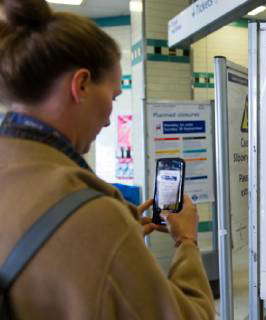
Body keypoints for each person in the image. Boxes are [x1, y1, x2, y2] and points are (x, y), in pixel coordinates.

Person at [0, 0, 214, 319]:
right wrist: (186, 241)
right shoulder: (91, 215)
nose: (109, 120)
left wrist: (121, 235)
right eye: (113, 97)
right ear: (81, 84)